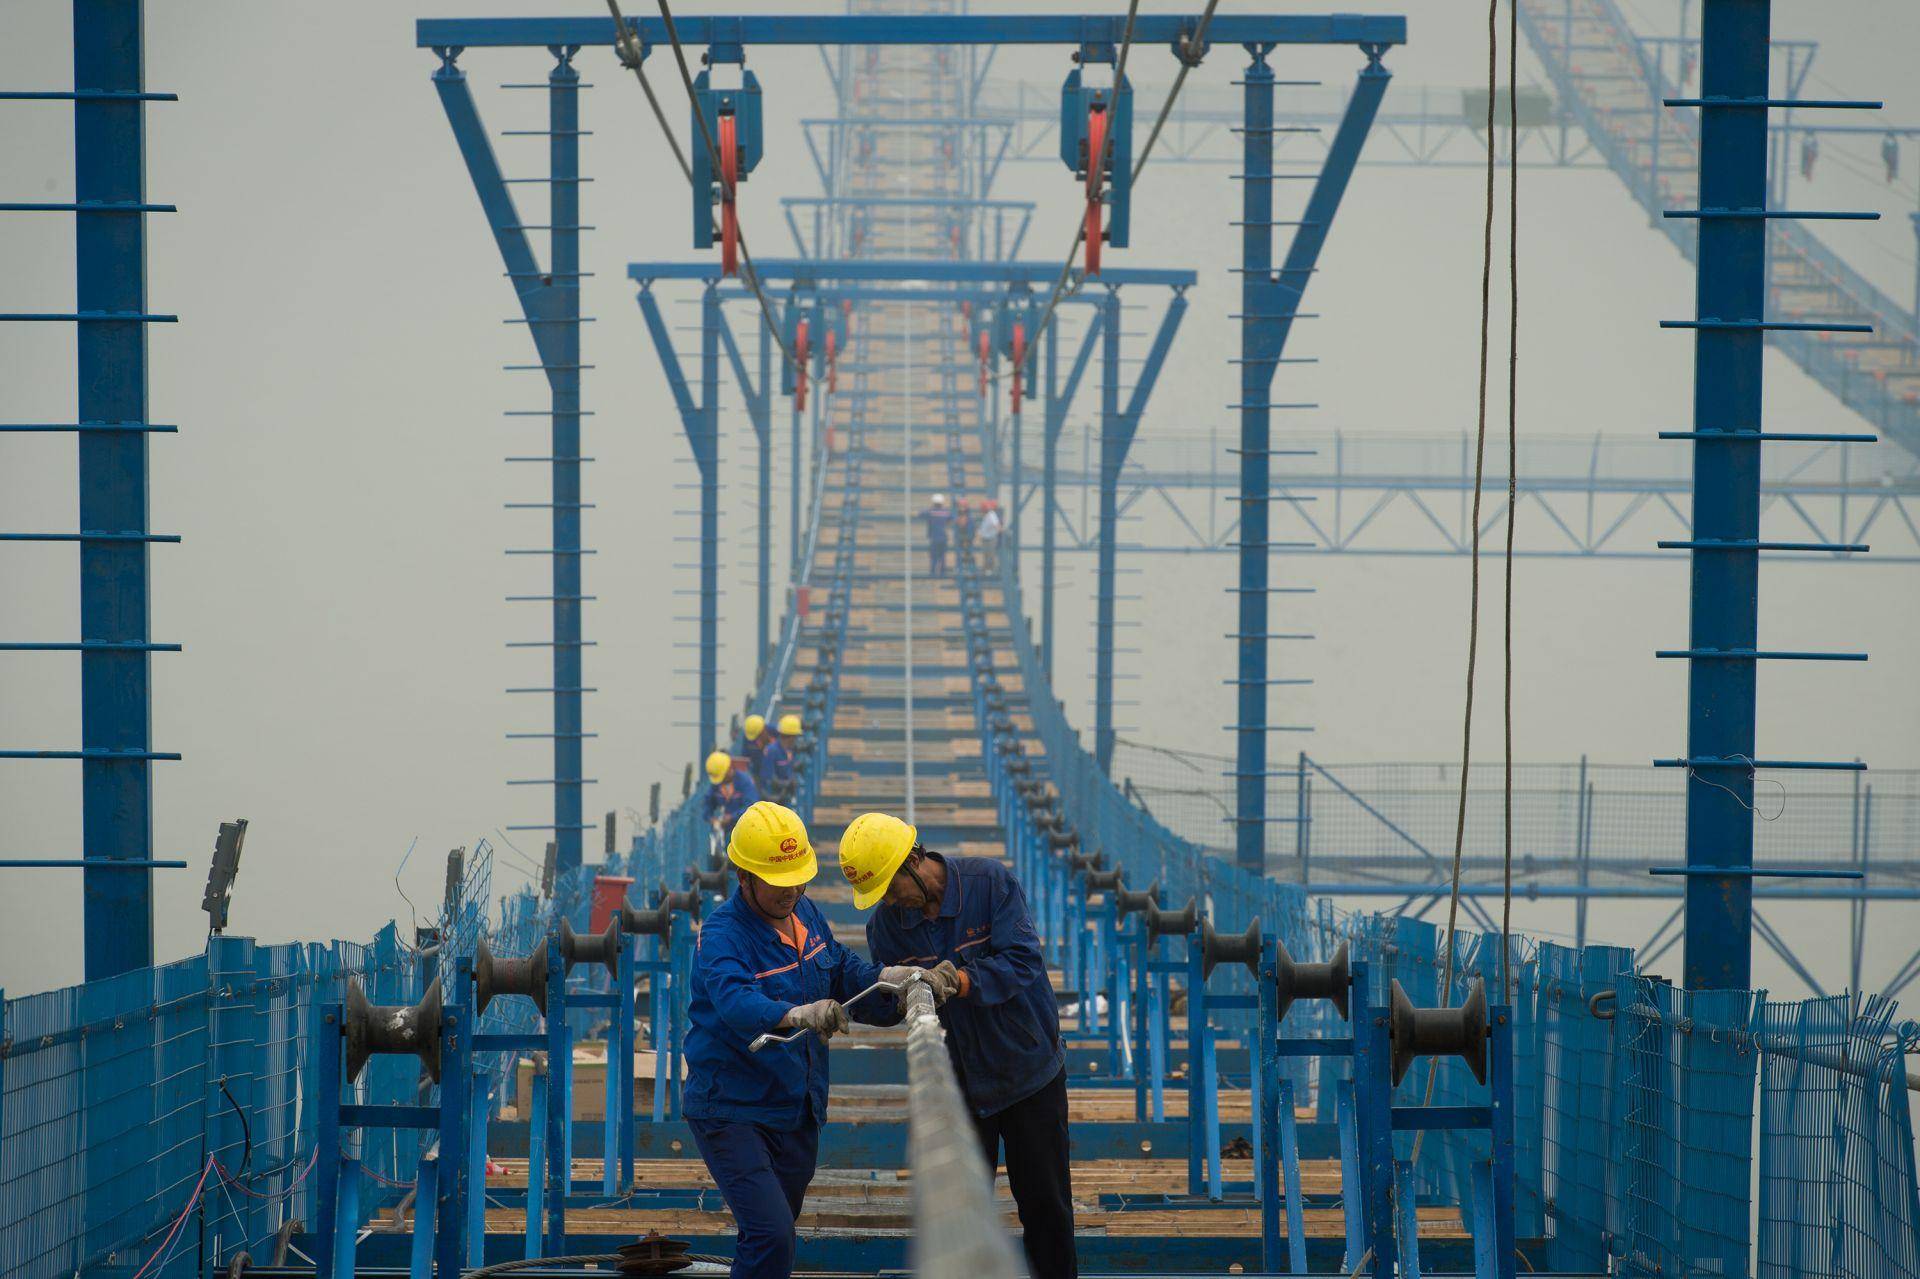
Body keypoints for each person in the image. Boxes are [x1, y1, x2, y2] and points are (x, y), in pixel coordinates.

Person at [685, 802, 958, 1279]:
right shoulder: (722, 935)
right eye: (778, 880)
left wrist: (896, 984)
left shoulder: (804, 913)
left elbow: (842, 971)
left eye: (798, 877)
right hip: (733, 1109)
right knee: (771, 1235)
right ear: (744, 876)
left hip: (797, 1105)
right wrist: (794, 1014)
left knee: (772, 1235)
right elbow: (734, 1002)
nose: (791, 890)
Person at [836, 812, 1077, 1279]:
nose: (888, 900)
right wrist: (852, 1002)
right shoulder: (887, 926)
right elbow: (894, 1005)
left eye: (889, 886)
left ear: (913, 860)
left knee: (1047, 1208)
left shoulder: (988, 884)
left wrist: (960, 979)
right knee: (960, 1211)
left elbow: (1023, 961)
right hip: (961, 1087)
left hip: (1029, 1073)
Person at [704, 749, 759, 841]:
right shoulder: (716, 785)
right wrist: (712, 819)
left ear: (729, 769)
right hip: (725, 830)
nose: (721, 781)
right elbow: (708, 804)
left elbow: (752, 806)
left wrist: (732, 817)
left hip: (746, 829)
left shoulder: (744, 782)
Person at [923, 493, 952, 578]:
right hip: (943, 537)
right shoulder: (946, 512)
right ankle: (943, 573)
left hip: (934, 538)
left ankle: (932, 573)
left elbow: (920, 514)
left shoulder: (930, 511)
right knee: (942, 556)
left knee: (934, 557)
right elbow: (952, 518)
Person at [976, 500, 1003, 571]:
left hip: (991, 538)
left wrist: (1000, 532)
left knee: (991, 555)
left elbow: (997, 525)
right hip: (986, 538)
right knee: (986, 555)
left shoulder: (991, 514)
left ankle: (991, 570)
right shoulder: (987, 515)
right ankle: (986, 569)